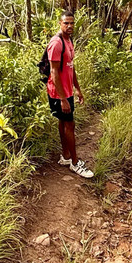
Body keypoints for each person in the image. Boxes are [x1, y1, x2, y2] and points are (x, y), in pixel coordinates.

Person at [47, 9, 93, 178]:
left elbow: (70, 68)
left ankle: (66, 156)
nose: (70, 26)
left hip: (67, 91)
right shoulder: (56, 43)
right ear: (60, 23)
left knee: (64, 122)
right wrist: (62, 99)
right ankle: (75, 163)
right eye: (66, 23)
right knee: (70, 125)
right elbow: (53, 72)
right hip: (58, 93)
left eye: (72, 23)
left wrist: (78, 89)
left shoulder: (68, 40)